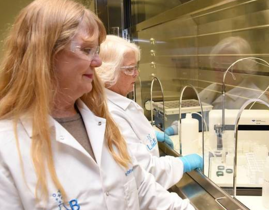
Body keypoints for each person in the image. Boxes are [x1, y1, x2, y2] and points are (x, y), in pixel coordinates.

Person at [0, 0, 194, 209]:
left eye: (96, 51)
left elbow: (143, 189)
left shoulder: (101, 123)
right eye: (86, 49)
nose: (98, 62)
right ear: (44, 55)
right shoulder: (8, 149)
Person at [95, 35, 203, 190]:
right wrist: (183, 163)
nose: (136, 74)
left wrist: (151, 135)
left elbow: (132, 138)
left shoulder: (119, 102)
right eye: (130, 69)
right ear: (108, 71)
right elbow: (146, 171)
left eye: (135, 67)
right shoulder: (111, 113)